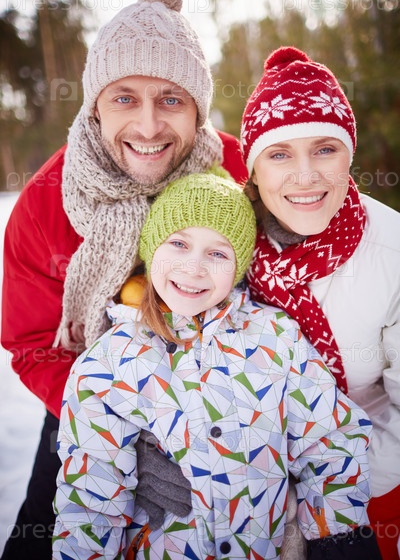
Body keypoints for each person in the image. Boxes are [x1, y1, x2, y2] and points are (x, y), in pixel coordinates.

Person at [0, 0, 247, 560]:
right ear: (94, 105)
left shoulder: (239, 174)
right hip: (83, 400)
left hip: (224, 400)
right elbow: (34, 344)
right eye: (124, 98)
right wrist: (117, 433)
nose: (149, 126)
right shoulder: (46, 205)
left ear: (198, 107)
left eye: (171, 99)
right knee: (44, 536)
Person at [53, 171, 380, 560]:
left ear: (239, 267)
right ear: (152, 247)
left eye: (218, 253)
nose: (194, 268)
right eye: (178, 243)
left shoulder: (275, 337)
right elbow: (89, 498)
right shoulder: (109, 362)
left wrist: (338, 539)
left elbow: (330, 443)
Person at [241, 45, 400, 559]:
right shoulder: (224, 248)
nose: (306, 175)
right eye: (279, 154)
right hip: (241, 489)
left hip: (367, 480)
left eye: (325, 149)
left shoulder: (392, 252)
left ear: (349, 156)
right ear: (253, 170)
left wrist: (335, 491)